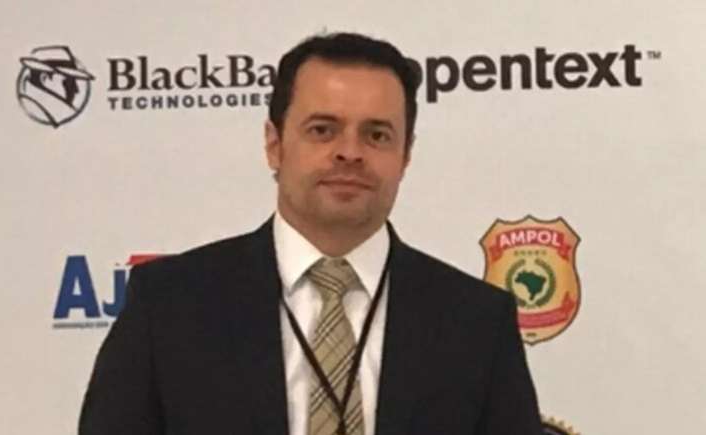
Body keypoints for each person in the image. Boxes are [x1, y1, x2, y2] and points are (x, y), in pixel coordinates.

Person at [79, 32, 541, 435]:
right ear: (274, 145)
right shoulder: (168, 305)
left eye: (377, 135)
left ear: (406, 156)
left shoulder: (477, 322)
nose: (350, 153)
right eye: (323, 130)